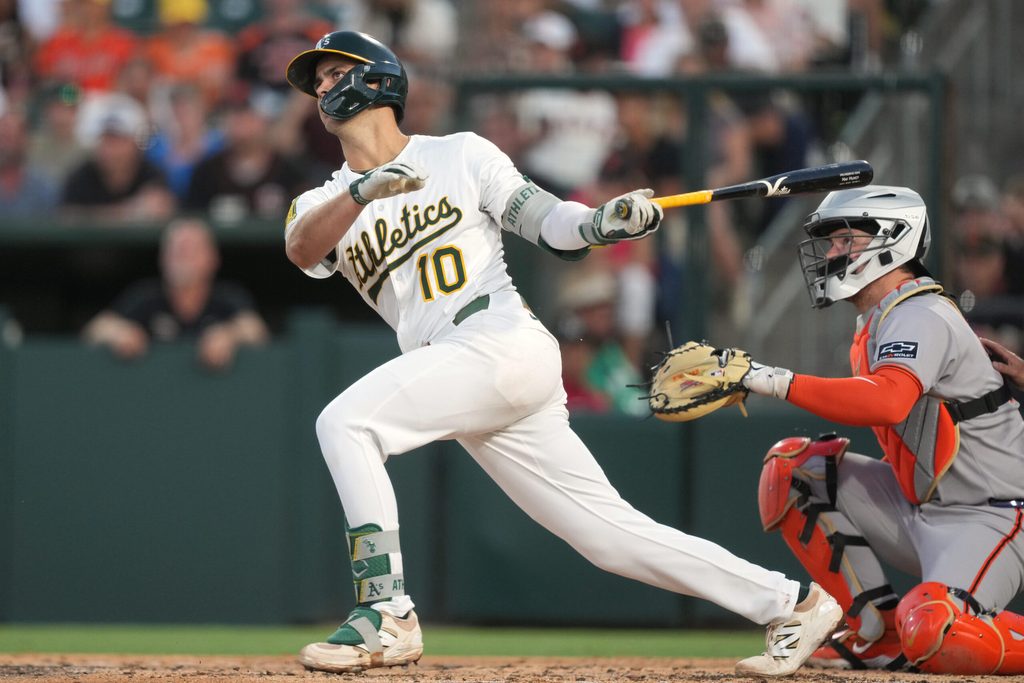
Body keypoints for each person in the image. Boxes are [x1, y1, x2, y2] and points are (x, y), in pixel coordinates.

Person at [281, 30, 842, 677]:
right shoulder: (324, 198)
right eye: (315, 80)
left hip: (497, 342)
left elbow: (549, 221)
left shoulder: (460, 154)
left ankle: (386, 610)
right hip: (461, 370)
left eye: (330, 72)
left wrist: (602, 222)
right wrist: (362, 191)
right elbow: (301, 249)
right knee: (607, 536)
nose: (320, 87)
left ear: (376, 77)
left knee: (345, 422)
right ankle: (792, 601)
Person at [730, 186, 1024, 674]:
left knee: (933, 632)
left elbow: (886, 401)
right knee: (795, 469)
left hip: (990, 516)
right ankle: (875, 633)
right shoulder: (881, 318)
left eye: (845, 239)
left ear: (892, 241)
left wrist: (773, 381)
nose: (831, 252)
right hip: (921, 506)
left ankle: (912, 629)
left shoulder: (918, 313)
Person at [82, 218, 268, 371]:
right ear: (162, 259)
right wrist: (119, 332)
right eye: (176, 251)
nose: (182, 257)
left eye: (191, 250)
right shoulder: (145, 295)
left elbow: (256, 331)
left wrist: (229, 335)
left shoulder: (228, 296)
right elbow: (95, 329)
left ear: (212, 259)